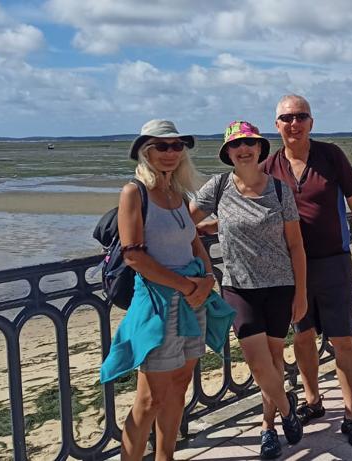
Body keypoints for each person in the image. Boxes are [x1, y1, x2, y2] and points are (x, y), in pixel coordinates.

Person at [99, 119, 235, 461]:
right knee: (149, 398)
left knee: (179, 387)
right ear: (146, 151)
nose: (171, 152)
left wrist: (206, 278)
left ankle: (166, 456)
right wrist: (188, 285)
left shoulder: (178, 193)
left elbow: (194, 240)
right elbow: (133, 256)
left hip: (192, 299)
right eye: (162, 146)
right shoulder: (134, 192)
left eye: (177, 146)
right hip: (158, 302)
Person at [262, 94, 352, 449]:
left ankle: (351, 415)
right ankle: (313, 402)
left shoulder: (330, 155)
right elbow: (247, 205)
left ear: (311, 122)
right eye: (287, 118)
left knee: (344, 339)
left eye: (301, 116)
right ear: (277, 126)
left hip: (333, 262)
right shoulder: (269, 166)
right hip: (291, 268)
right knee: (303, 337)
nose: (294, 123)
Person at [189, 121, 306, 459]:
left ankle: (268, 427)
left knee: (274, 360)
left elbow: (296, 246)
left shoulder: (281, 190)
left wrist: (301, 293)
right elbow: (184, 222)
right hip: (240, 288)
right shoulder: (219, 186)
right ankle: (287, 410)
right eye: (236, 144)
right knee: (257, 363)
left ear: (259, 149)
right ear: (228, 152)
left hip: (281, 286)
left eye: (250, 143)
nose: (243, 149)